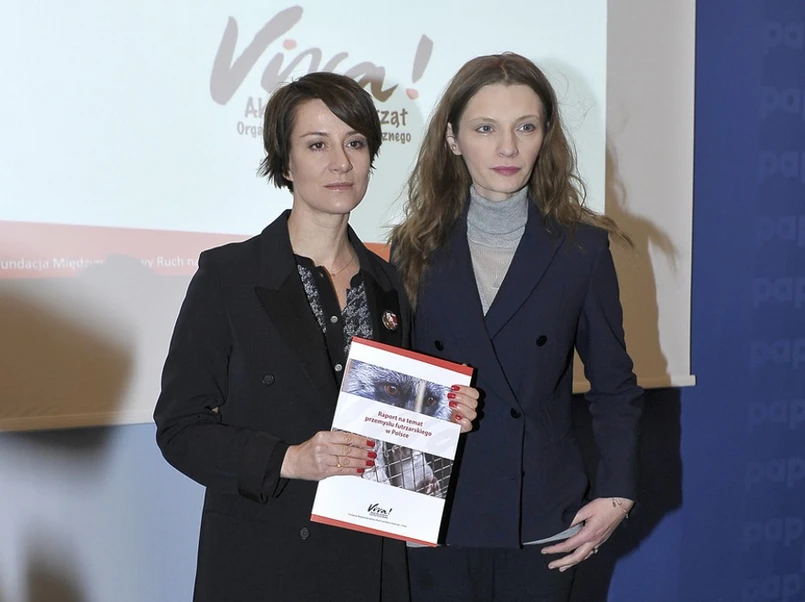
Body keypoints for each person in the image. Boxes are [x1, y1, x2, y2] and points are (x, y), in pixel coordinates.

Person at [153, 72, 479, 602]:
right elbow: (179, 429)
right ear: (285, 163)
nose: (341, 162)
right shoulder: (229, 277)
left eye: (355, 143)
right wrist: (289, 460)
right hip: (263, 561)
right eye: (317, 144)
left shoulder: (389, 283)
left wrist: (441, 413)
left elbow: (392, 420)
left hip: (368, 560)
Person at [390, 53, 644, 601]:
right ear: (453, 139)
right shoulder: (412, 247)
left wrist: (618, 494)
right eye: (486, 129)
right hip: (435, 509)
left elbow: (614, 385)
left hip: (542, 516)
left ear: (545, 137)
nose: (507, 148)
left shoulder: (582, 249)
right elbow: (394, 383)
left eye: (525, 127)